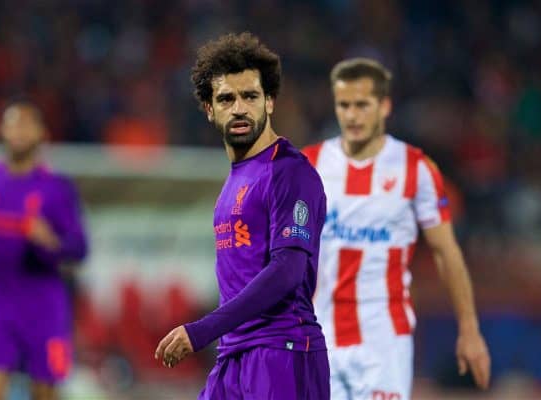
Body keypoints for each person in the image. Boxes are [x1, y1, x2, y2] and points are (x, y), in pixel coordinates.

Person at [302, 58, 491, 400]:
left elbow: (447, 252)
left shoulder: (416, 170)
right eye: (345, 105)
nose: (353, 115)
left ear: (384, 106)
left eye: (363, 105)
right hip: (316, 337)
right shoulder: (308, 166)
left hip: (384, 341)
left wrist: (469, 329)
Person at [154, 32, 330, 399]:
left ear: (269, 102)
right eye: (226, 98)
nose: (238, 108)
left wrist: (202, 331)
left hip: (282, 353)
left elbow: (287, 271)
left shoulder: (289, 172)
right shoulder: (235, 180)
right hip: (233, 357)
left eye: (249, 96)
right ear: (209, 109)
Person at [0, 100, 88, 400]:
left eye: (27, 124)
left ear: (41, 134)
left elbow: (79, 248)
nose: (20, 130)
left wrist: (51, 241)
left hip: (44, 306)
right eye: (13, 123)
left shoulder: (57, 188)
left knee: (45, 393)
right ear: (1, 131)